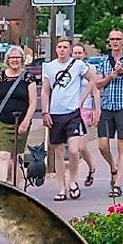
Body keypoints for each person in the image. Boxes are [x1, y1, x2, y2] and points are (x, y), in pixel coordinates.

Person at [91, 28, 123, 199]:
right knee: (102, 144)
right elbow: (98, 84)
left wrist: (122, 73)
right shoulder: (104, 61)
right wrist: (110, 77)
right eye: (112, 39)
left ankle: (118, 184)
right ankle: (113, 167)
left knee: (122, 144)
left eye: (118, 39)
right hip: (107, 106)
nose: (114, 42)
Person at [43, 35, 95, 200]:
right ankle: (61, 188)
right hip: (55, 112)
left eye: (65, 47)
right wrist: (45, 111)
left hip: (72, 112)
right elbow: (45, 90)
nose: (62, 50)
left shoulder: (77, 65)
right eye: (60, 47)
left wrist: (82, 99)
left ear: (70, 49)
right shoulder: (49, 67)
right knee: (58, 151)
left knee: (73, 150)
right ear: (56, 49)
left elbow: (93, 79)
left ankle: (73, 181)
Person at [0, 45, 42, 185]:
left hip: (20, 121)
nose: (14, 60)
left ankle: (16, 187)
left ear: (22, 59)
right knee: (3, 155)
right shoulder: (1, 76)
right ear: (7, 60)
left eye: (17, 57)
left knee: (17, 156)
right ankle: (2, 187)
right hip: (3, 121)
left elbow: (33, 101)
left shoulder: (28, 77)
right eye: (12, 57)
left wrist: (26, 121)